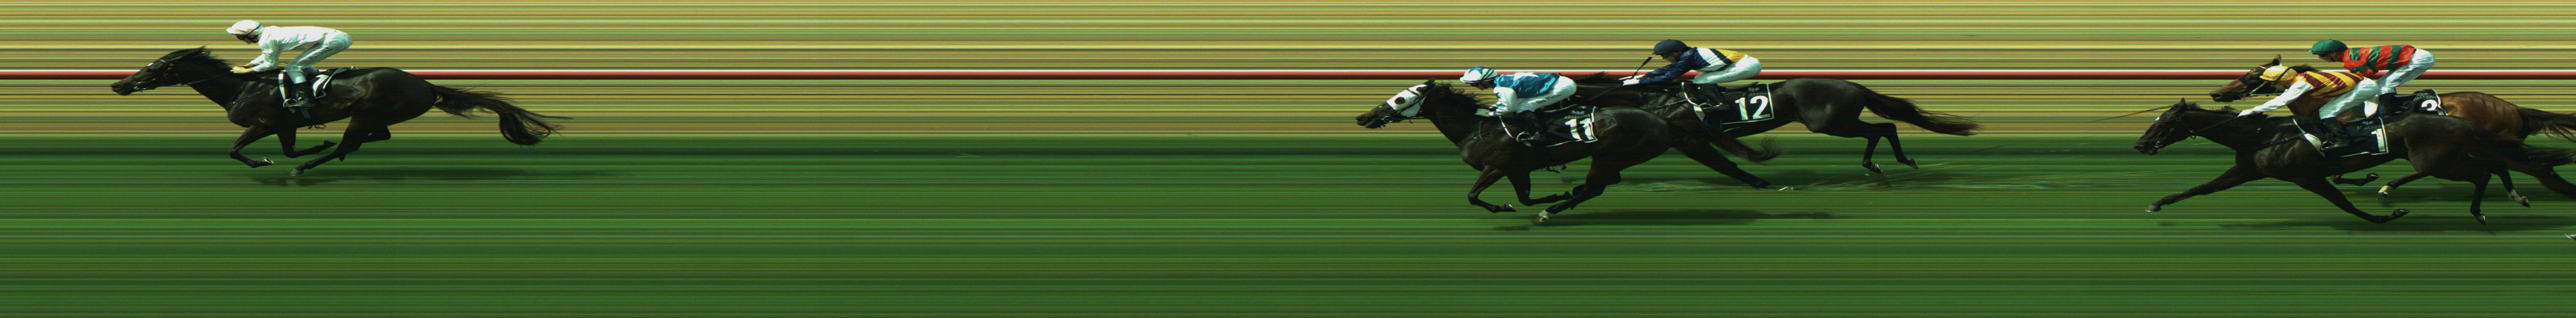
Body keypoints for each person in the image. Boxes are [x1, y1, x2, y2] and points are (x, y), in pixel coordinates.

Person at [2237, 65, 2372, 152]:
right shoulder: (2299, 79)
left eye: (2273, 84)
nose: (2273, 87)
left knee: (2327, 112)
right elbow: (2285, 95)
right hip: (2356, 86)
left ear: (2283, 81)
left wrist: (2254, 110)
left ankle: (2342, 140)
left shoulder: (2301, 84)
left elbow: (2283, 101)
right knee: (2325, 111)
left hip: (2363, 88)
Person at [225, 20, 351, 113]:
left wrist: (248, 71)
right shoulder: (269, 32)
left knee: (292, 68)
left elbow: (272, 64)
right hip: (336, 38)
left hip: (333, 41)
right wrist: (251, 64)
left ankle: (308, 99)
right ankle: (315, 82)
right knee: (299, 65)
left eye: (240, 36)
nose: (239, 39)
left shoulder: (266, 40)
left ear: (252, 35)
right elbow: (269, 54)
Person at [2305, 39, 2434, 122]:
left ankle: (2390, 116)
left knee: (2384, 87)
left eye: (2322, 55)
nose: (2321, 58)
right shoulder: (2351, 54)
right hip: (2413, 57)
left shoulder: (2349, 61)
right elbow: (2370, 73)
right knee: (2381, 85)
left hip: (2417, 60)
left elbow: (2365, 78)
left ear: (2333, 54)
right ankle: (2392, 109)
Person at [1461, 66, 1578, 144]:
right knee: (1525, 105)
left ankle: (1539, 134)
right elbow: (1508, 99)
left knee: (1523, 107)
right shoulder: (1502, 80)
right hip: (1560, 83)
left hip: (1562, 88)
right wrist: (1494, 107)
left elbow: (1511, 108)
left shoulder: (1500, 88)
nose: (1475, 87)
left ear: (1485, 81)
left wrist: (1491, 114)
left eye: (1475, 84)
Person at [1623, 39, 1761, 88]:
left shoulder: (1688, 58)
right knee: (1700, 78)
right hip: (1741, 64)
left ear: (1675, 53)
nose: (1664, 58)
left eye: (1665, 55)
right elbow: (1669, 68)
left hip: (1747, 67)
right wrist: (1644, 76)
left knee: (1702, 80)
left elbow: (1668, 77)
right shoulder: (1688, 55)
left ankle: (1720, 104)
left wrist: (1640, 83)